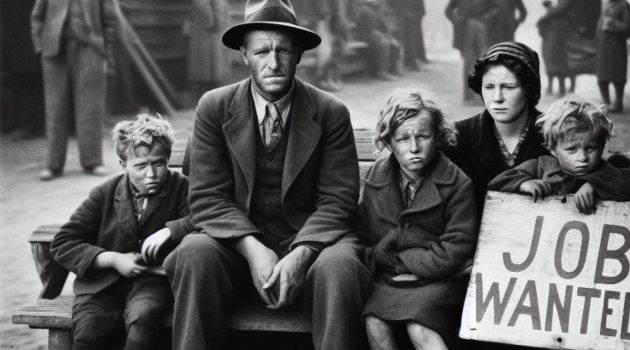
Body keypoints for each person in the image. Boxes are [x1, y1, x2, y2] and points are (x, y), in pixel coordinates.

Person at [163, 1, 370, 349]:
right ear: (244, 54)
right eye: (261, 51)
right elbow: (207, 198)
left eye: (283, 50)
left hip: (309, 245)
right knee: (194, 252)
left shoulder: (330, 112)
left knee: (341, 267)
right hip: (235, 248)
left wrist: (301, 255)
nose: (273, 62)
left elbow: (337, 201)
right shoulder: (214, 107)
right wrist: (253, 250)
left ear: (300, 54)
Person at [50, 114, 192, 349]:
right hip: (101, 285)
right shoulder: (103, 194)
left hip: (153, 281)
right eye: (140, 166)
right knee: (90, 330)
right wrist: (113, 259)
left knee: (143, 318)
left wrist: (172, 230)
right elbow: (63, 242)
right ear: (123, 165)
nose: (151, 175)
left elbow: (202, 217)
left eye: (158, 164)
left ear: (168, 159)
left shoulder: (181, 187)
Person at [359, 89, 477, 350]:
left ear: (437, 138)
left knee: (420, 326)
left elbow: (457, 247)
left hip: (441, 279)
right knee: (374, 323)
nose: (414, 148)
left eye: (422, 136)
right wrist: (381, 260)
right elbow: (364, 233)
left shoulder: (456, 183)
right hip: (389, 281)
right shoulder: (377, 177)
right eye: (403, 138)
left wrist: (404, 263)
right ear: (389, 142)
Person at [488, 97, 630, 213]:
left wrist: (595, 184)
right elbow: (496, 183)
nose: (582, 157)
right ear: (553, 149)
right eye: (571, 150)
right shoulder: (542, 165)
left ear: (602, 145)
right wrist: (523, 184)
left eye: (591, 148)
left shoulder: (612, 167)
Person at [444, 42, 550, 212]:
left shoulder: (557, 133)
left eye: (508, 87)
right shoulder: (457, 138)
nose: (497, 98)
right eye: (489, 87)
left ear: (529, 89)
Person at [31, 0, 115, 180]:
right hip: (54, 51)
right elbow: (37, 17)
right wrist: (40, 44)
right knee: (55, 108)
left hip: (90, 49)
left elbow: (110, 20)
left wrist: (105, 51)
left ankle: (93, 162)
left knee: (91, 108)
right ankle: (53, 165)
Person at [595, 0, 630, 113]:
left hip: (616, 47)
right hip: (602, 46)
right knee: (602, 77)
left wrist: (613, 24)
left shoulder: (623, 5)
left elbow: (629, 28)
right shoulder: (606, 4)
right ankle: (605, 102)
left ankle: (618, 103)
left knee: (618, 76)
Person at [187, 0, 231, 98]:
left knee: (212, 60)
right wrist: (212, 20)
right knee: (209, 60)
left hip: (210, 29)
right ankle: (208, 85)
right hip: (207, 30)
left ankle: (211, 83)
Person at [353, 0, 403, 80]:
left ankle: (396, 69)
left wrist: (388, 36)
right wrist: (383, 36)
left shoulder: (374, 10)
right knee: (384, 43)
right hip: (365, 36)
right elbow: (368, 29)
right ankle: (382, 71)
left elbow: (383, 26)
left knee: (394, 43)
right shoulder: (364, 10)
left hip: (374, 35)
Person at [538, 0, 575, 97]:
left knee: (558, 59)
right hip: (555, 31)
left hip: (560, 32)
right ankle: (552, 87)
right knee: (550, 57)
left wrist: (549, 7)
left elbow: (559, 11)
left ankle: (561, 88)